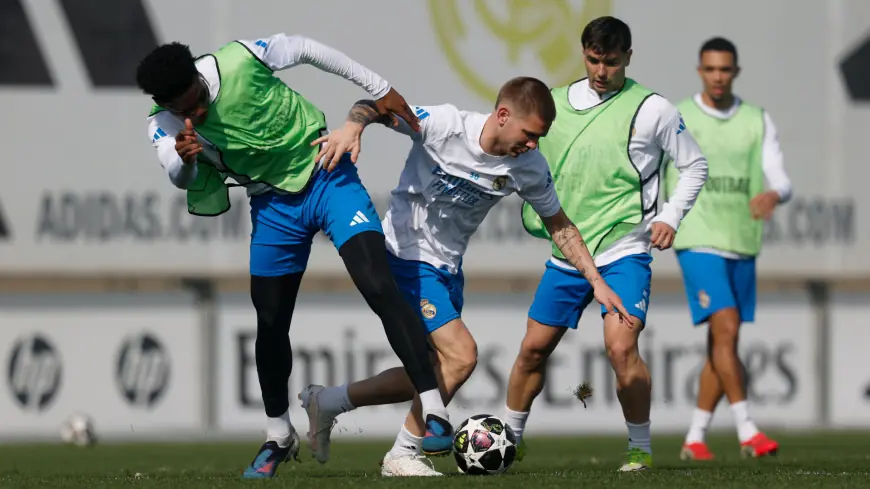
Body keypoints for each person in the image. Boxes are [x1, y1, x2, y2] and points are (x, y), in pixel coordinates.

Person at [135, 34, 453, 479]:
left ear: (198, 75)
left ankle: (434, 410)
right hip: (272, 204)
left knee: (379, 285)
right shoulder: (162, 121)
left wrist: (379, 87)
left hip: (327, 172)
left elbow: (309, 50)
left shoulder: (241, 58)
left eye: (199, 101)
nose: (197, 114)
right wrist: (187, 161)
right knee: (269, 321)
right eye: (186, 112)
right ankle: (278, 435)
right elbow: (177, 173)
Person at [297, 76, 631, 477]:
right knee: (462, 355)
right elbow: (380, 106)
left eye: (539, 138)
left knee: (430, 373)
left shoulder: (528, 167)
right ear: (503, 115)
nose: (532, 145)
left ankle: (329, 401)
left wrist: (596, 279)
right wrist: (354, 125)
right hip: (404, 256)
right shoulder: (445, 125)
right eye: (528, 134)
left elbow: (559, 224)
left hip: (448, 270)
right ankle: (403, 454)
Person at [502, 16, 709, 472]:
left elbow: (695, 166)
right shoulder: (553, 105)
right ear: (583, 54)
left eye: (611, 62)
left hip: (623, 249)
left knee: (620, 348)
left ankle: (640, 448)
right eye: (594, 60)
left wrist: (671, 216)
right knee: (532, 350)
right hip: (568, 253)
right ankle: (507, 442)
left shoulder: (653, 109)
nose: (601, 71)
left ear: (628, 59)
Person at [667, 37, 790, 461]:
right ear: (700, 71)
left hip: (741, 241)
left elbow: (780, 177)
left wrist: (774, 195)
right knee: (728, 327)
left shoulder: (756, 119)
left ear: (735, 72)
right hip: (698, 238)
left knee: (723, 342)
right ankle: (748, 431)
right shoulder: (679, 116)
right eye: (710, 69)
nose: (718, 77)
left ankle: (695, 438)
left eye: (725, 70)